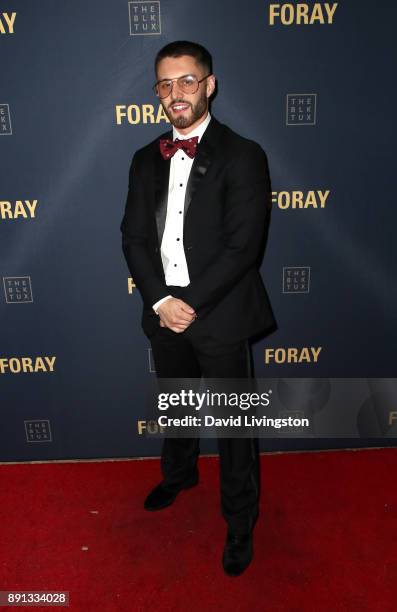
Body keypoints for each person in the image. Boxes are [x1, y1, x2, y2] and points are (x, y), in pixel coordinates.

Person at [120, 40, 276, 576]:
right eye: (164, 83)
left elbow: (243, 246)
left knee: (235, 425)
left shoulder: (243, 153)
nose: (175, 93)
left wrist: (189, 303)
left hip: (222, 313)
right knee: (177, 402)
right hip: (164, 312)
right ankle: (180, 473)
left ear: (209, 85)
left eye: (187, 81)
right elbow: (133, 238)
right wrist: (161, 301)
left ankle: (239, 521)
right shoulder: (145, 159)